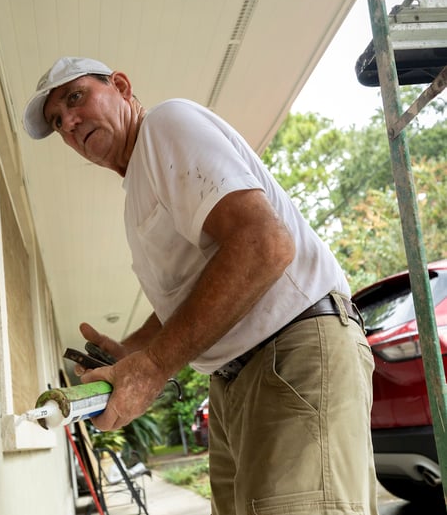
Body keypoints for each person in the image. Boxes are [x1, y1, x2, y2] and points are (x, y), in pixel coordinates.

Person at [22, 56, 378, 515]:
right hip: (236, 379)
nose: (68, 123)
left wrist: (152, 368)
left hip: (291, 353)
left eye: (75, 98)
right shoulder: (137, 191)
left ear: (122, 86)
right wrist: (135, 350)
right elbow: (196, 287)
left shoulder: (166, 126)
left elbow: (263, 244)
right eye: (56, 122)